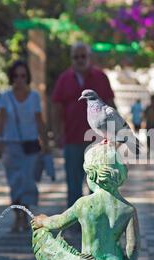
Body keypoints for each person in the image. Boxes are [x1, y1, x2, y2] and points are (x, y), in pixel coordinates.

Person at [51, 42, 115, 207]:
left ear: (89, 57)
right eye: (76, 57)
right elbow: (56, 108)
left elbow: (110, 105)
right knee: (73, 186)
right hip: (72, 140)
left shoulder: (100, 77)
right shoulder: (64, 79)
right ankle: (74, 226)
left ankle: (95, 225)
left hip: (97, 142)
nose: (80, 60)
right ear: (71, 59)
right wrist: (57, 133)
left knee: (97, 185)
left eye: (83, 56)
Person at [0, 60, 49, 232]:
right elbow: (1, 120)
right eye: (16, 75)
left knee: (28, 181)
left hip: (31, 144)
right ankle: (17, 216)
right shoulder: (5, 97)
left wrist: (45, 142)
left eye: (23, 76)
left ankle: (25, 216)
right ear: (12, 77)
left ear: (27, 77)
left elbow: (39, 121)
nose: (19, 79)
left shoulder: (34, 97)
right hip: (11, 145)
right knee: (14, 182)